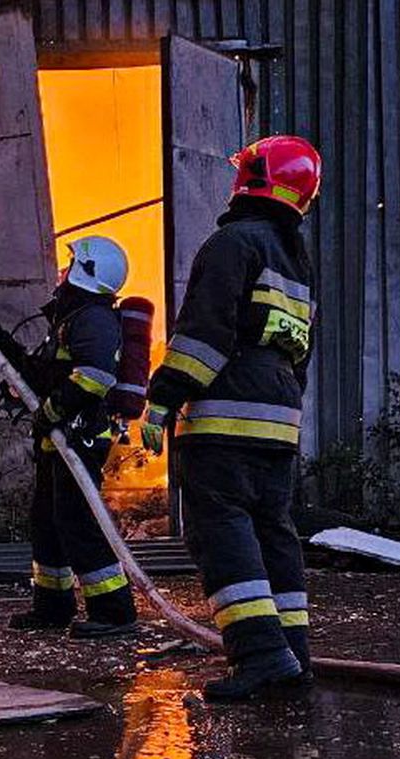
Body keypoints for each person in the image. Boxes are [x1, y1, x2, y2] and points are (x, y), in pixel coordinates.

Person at [141, 135, 322, 702]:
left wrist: (163, 398)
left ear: (254, 177)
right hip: (278, 421)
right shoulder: (294, 259)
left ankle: (261, 656)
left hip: (225, 419)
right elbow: (299, 352)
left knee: (222, 530)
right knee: (273, 533)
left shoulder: (233, 243)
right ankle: (293, 655)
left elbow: (204, 336)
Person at [10, 235, 146, 640]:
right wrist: (1, 344)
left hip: (80, 436)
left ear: (86, 273)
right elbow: (48, 374)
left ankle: (114, 611)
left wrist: (52, 411)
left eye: (71, 265)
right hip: (60, 437)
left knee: (78, 521)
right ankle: (52, 605)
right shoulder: (71, 318)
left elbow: (95, 377)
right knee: (48, 521)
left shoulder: (93, 319)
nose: (63, 271)